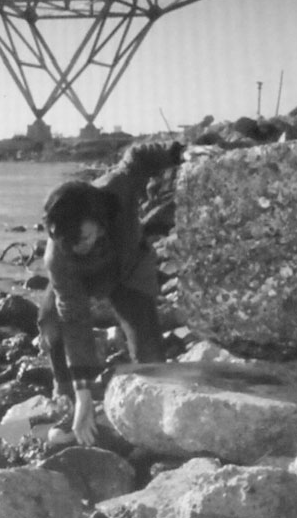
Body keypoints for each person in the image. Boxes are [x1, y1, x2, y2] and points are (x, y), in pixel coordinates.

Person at [37, 141, 184, 446]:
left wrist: (177, 153)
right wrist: (83, 394)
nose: (78, 246)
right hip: (80, 278)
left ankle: (151, 414)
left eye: (85, 237)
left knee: (148, 349)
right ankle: (70, 403)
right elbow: (75, 320)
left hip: (129, 267)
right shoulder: (59, 257)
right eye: (69, 242)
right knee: (52, 323)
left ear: (98, 219)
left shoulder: (114, 188)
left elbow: (137, 157)